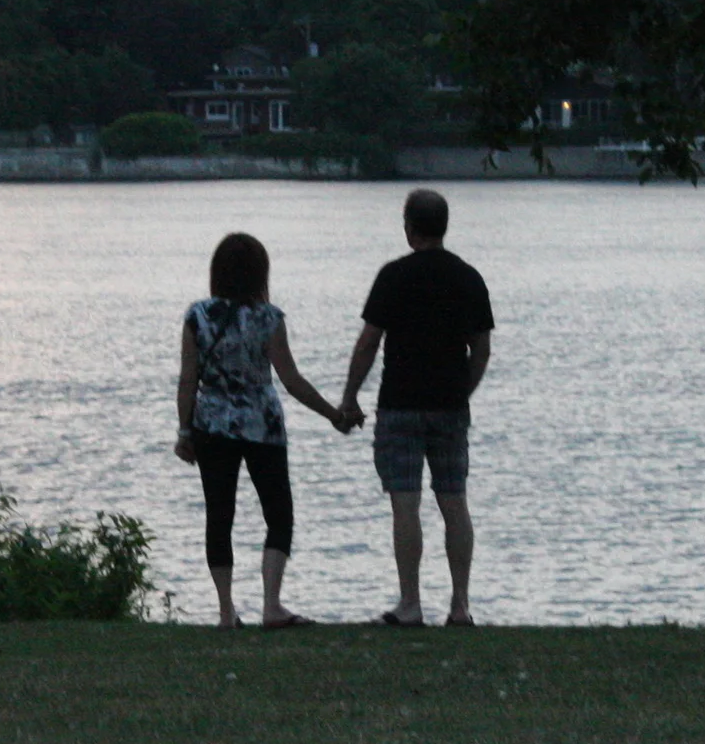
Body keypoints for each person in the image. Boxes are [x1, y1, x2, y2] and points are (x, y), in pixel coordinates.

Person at [174, 231, 359, 629]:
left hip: (212, 424)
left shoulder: (197, 316)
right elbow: (291, 380)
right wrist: (332, 414)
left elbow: (188, 380)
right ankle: (272, 605)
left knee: (219, 515)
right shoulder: (268, 318)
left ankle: (226, 612)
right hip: (262, 423)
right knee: (278, 512)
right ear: (260, 274)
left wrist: (184, 432)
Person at [338, 189, 495, 627]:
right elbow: (480, 348)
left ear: (409, 227)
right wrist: (464, 390)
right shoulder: (468, 277)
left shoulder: (393, 276)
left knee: (405, 504)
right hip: (449, 406)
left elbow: (369, 342)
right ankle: (460, 605)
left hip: (400, 404)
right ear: (444, 226)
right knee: (454, 501)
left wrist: (350, 396)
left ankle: (411, 603)